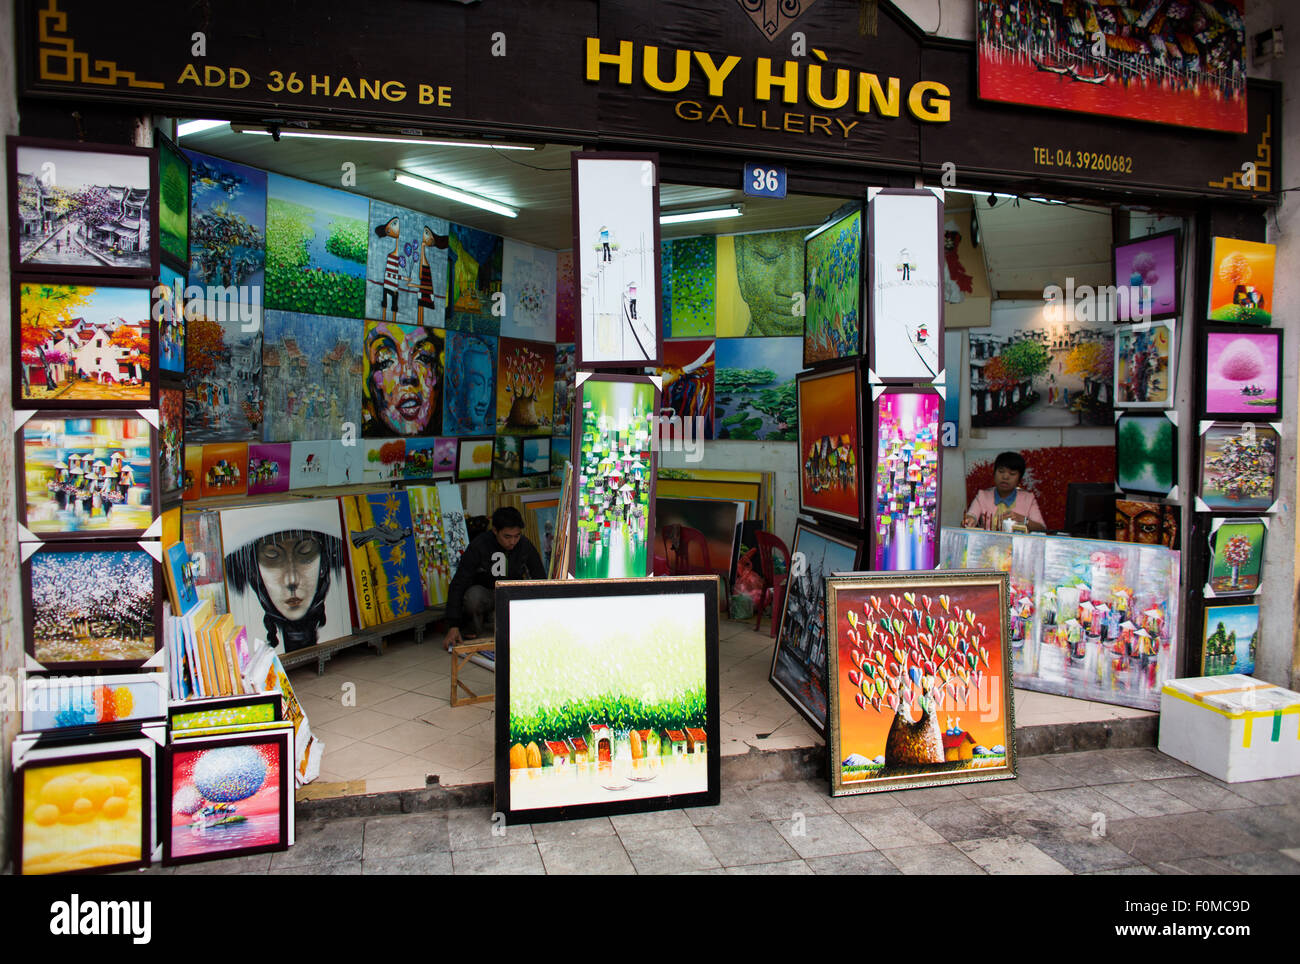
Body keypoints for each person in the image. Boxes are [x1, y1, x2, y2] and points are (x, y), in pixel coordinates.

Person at [442, 506, 545, 649]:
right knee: (473, 597)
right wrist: (453, 625)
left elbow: (540, 577)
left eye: (517, 536)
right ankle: (475, 625)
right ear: (495, 531)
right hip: (486, 593)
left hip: (511, 594)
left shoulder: (524, 545)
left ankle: (499, 619)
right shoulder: (479, 545)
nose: (513, 541)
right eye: (507, 536)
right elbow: (459, 582)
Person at [963, 451, 1046, 532]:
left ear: (1019, 479)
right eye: (1001, 471)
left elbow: (1041, 527)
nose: (1005, 477)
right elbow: (972, 515)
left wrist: (1023, 520)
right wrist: (969, 520)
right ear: (994, 473)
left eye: (1012, 473)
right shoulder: (983, 496)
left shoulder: (1028, 499)